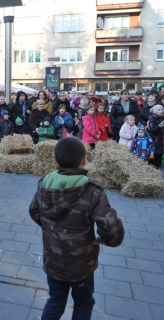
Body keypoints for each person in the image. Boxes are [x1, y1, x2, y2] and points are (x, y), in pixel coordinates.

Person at [29, 136, 125, 320]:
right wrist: (109, 239)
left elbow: (34, 210)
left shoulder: (46, 183)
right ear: (84, 160)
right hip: (81, 264)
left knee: (55, 300)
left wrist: (49, 227)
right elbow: (110, 225)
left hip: (53, 260)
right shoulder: (92, 190)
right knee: (83, 302)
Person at [147, 104, 164, 169]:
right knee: (154, 155)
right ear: (155, 111)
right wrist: (159, 126)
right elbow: (152, 130)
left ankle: (158, 167)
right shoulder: (153, 118)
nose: (161, 111)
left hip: (161, 140)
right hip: (155, 141)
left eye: (162, 109)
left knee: (159, 155)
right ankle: (151, 168)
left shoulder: (162, 117)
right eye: (159, 110)